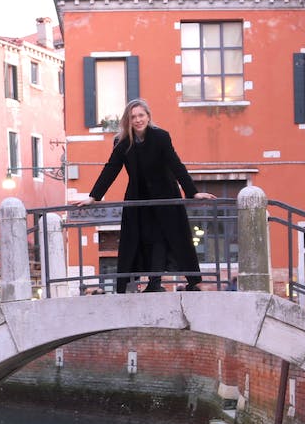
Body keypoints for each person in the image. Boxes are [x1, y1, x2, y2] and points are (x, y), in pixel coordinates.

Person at [77, 99, 214, 292]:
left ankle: (155, 283)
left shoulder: (161, 137)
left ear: (148, 117)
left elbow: (176, 164)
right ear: (128, 120)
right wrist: (94, 197)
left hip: (165, 196)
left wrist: (193, 192)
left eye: (141, 115)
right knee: (139, 239)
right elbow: (111, 169)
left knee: (161, 238)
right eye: (133, 117)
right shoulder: (122, 142)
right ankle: (134, 284)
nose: (138, 120)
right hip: (138, 198)